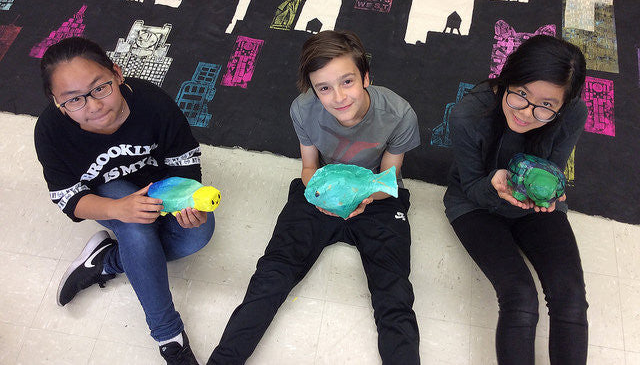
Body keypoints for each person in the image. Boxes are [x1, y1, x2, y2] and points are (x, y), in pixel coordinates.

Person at [208, 30, 421, 364]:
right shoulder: (303, 109)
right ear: (313, 89)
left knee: (393, 293)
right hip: (322, 188)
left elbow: (390, 177)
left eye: (347, 81)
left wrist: (361, 198)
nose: (338, 97)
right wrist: (319, 195)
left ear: (365, 77)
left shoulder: (399, 113)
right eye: (324, 88)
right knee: (271, 277)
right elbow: (309, 167)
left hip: (376, 196)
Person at [34, 37, 215, 365]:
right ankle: (168, 335)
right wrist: (117, 210)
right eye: (73, 100)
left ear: (117, 74)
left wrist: (191, 203)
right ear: (56, 101)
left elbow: (184, 162)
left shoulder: (153, 103)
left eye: (99, 87)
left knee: (199, 233)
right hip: (105, 194)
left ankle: (106, 261)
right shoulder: (50, 131)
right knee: (136, 229)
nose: (93, 106)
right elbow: (68, 198)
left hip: (159, 186)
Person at [444, 35, 589, 365]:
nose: (527, 112)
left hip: (533, 208)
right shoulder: (469, 113)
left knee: (571, 298)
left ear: (563, 105)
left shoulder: (574, 114)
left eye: (547, 105)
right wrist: (496, 186)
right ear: (507, 77)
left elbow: (553, 166)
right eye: (521, 94)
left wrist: (551, 193)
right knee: (520, 297)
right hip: (475, 204)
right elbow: (469, 186)